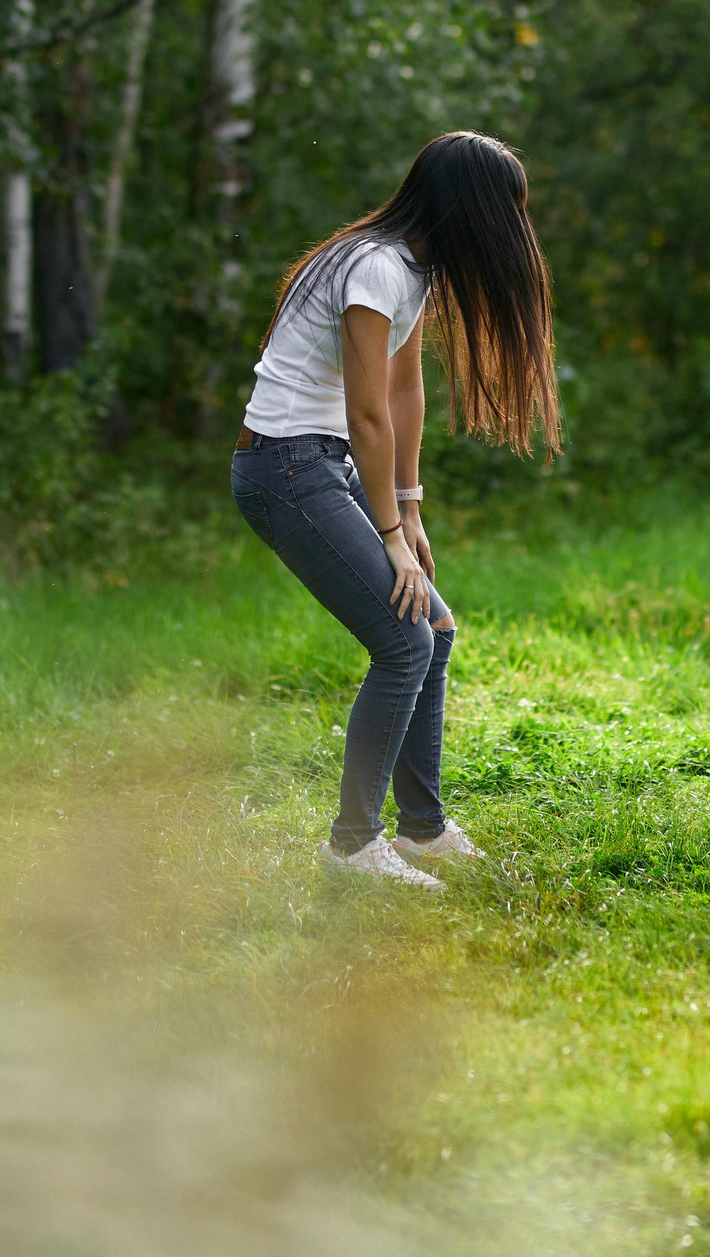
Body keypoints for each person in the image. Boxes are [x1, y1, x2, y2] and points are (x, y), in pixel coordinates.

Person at [231, 131, 560, 889]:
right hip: (284, 467)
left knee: (434, 630)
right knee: (404, 640)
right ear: (470, 207)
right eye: (507, 207)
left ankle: (421, 829)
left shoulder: (413, 269)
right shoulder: (374, 267)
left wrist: (409, 508)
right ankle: (351, 847)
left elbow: (407, 390)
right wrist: (389, 537)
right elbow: (367, 411)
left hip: (323, 462)